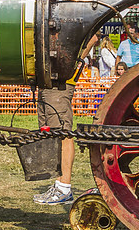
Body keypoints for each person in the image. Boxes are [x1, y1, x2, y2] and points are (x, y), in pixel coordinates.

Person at [33, 33, 100, 206]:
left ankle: (64, 187)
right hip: (49, 81)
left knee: (63, 134)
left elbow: (93, 38)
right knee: (53, 135)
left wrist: (75, 60)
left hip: (61, 82)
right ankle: (59, 185)